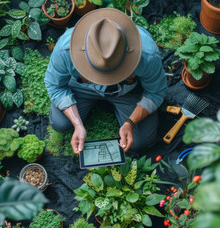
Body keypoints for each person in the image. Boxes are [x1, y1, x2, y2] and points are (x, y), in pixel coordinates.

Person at [45, 8, 167, 154]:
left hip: (127, 92)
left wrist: (130, 123)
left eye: (115, 73)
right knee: (60, 123)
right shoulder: (65, 49)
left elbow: (155, 93)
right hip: (83, 88)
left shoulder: (147, 55)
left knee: (141, 141)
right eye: (95, 73)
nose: (105, 82)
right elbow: (55, 86)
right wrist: (77, 124)